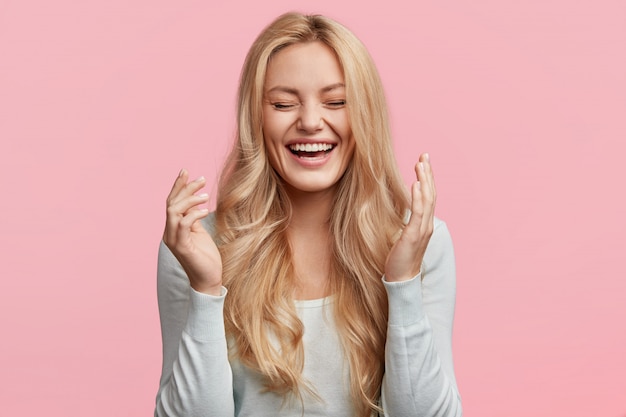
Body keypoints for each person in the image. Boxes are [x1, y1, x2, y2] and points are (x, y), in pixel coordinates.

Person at [154, 12, 462, 417]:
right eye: (283, 104)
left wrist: (403, 281)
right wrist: (206, 288)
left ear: (365, 114)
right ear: (256, 117)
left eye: (336, 102)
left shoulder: (424, 244)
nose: (311, 122)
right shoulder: (196, 249)